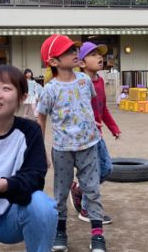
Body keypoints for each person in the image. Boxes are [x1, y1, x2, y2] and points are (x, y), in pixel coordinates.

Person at [0, 65, 58, 252]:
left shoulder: (30, 130)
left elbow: (35, 178)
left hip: (9, 218)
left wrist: (4, 185)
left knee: (41, 206)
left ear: (22, 98)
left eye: (6, 88)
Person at [37, 34, 106, 252]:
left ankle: (97, 235)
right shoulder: (49, 89)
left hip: (88, 145)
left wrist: (96, 126)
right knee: (60, 192)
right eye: (68, 51)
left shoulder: (85, 80)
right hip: (62, 150)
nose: (75, 53)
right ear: (54, 62)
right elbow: (41, 118)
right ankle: (60, 232)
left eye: (74, 50)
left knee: (92, 190)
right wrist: (40, 150)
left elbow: (90, 105)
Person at [71, 41, 121, 225]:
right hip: (84, 137)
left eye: (99, 54)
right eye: (93, 54)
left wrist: (113, 128)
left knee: (106, 169)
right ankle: (86, 209)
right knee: (93, 172)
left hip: (97, 134)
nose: (99, 57)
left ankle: (80, 190)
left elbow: (103, 109)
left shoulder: (100, 82)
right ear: (82, 63)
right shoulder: (76, 83)